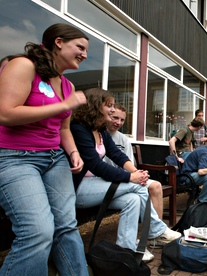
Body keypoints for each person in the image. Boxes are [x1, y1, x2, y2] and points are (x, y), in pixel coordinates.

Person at [0, 23, 89, 275]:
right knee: (38, 232)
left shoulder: (67, 85)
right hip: (16, 158)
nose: (84, 54)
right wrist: (64, 106)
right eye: (79, 47)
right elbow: (5, 113)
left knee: (67, 226)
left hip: (55, 159)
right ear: (58, 42)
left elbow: (63, 130)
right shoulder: (23, 65)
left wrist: (73, 152)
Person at [71, 88, 180, 262]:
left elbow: (117, 155)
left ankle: (126, 249)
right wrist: (132, 178)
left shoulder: (101, 131)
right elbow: (96, 165)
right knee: (138, 186)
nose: (113, 110)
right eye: (110, 106)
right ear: (95, 106)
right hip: (79, 189)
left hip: (97, 185)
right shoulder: (79, 129)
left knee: (133, 199)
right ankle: (156, 230)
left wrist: (136, 172)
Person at [104, 103, 165, 221]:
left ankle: (158, 230)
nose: (119, 122)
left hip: (125, 177)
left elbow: (129, 163)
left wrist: (139, 175)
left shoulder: (123, 139)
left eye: (122, 120)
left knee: (156, 186)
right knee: (136, 196)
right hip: (106, 179)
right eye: (115, 118)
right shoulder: (99, 135)